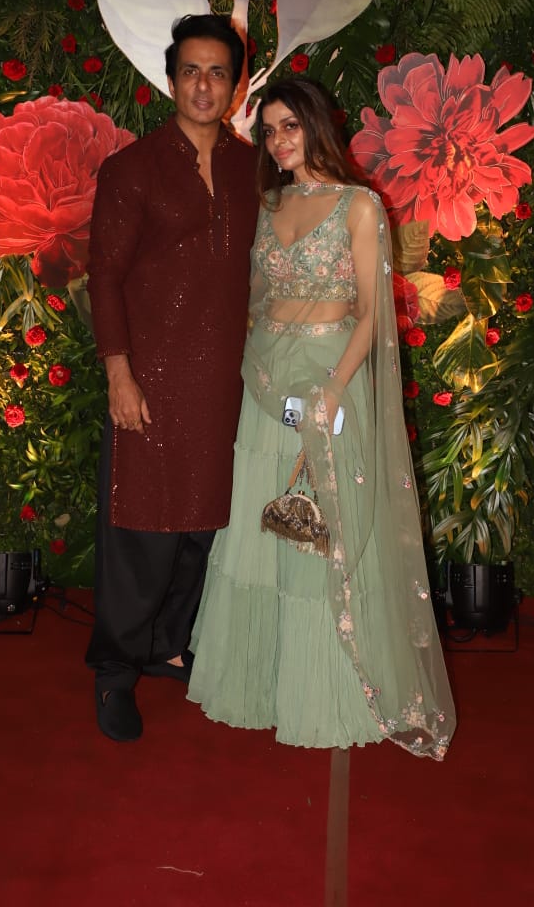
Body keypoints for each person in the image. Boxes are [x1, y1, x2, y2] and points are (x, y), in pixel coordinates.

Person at [187, 78, 456, 757]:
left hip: (330, 376)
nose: (279, 141)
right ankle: (265, 686)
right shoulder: (268, 203)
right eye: (269, 131)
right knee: (266, 529)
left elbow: (371, 313)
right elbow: (254, 301)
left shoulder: (359, 206)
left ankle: (332, 692)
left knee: (327, 534)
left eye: (290, 126)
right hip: (265, 381)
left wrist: (335, 388)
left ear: (315, 126)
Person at [86, 14, 258, 742]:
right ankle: (115, 673)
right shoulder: (132, 169)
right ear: (170, 80)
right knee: (142, 533)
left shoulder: (254, 170)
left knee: (203, 530)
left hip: (227, 384)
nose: (204, 85)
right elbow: (104, 277)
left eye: (218, 72)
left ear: (236, 86)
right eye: (191, 71)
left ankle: (166, 645)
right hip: (151, 379)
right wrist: (119, 374)